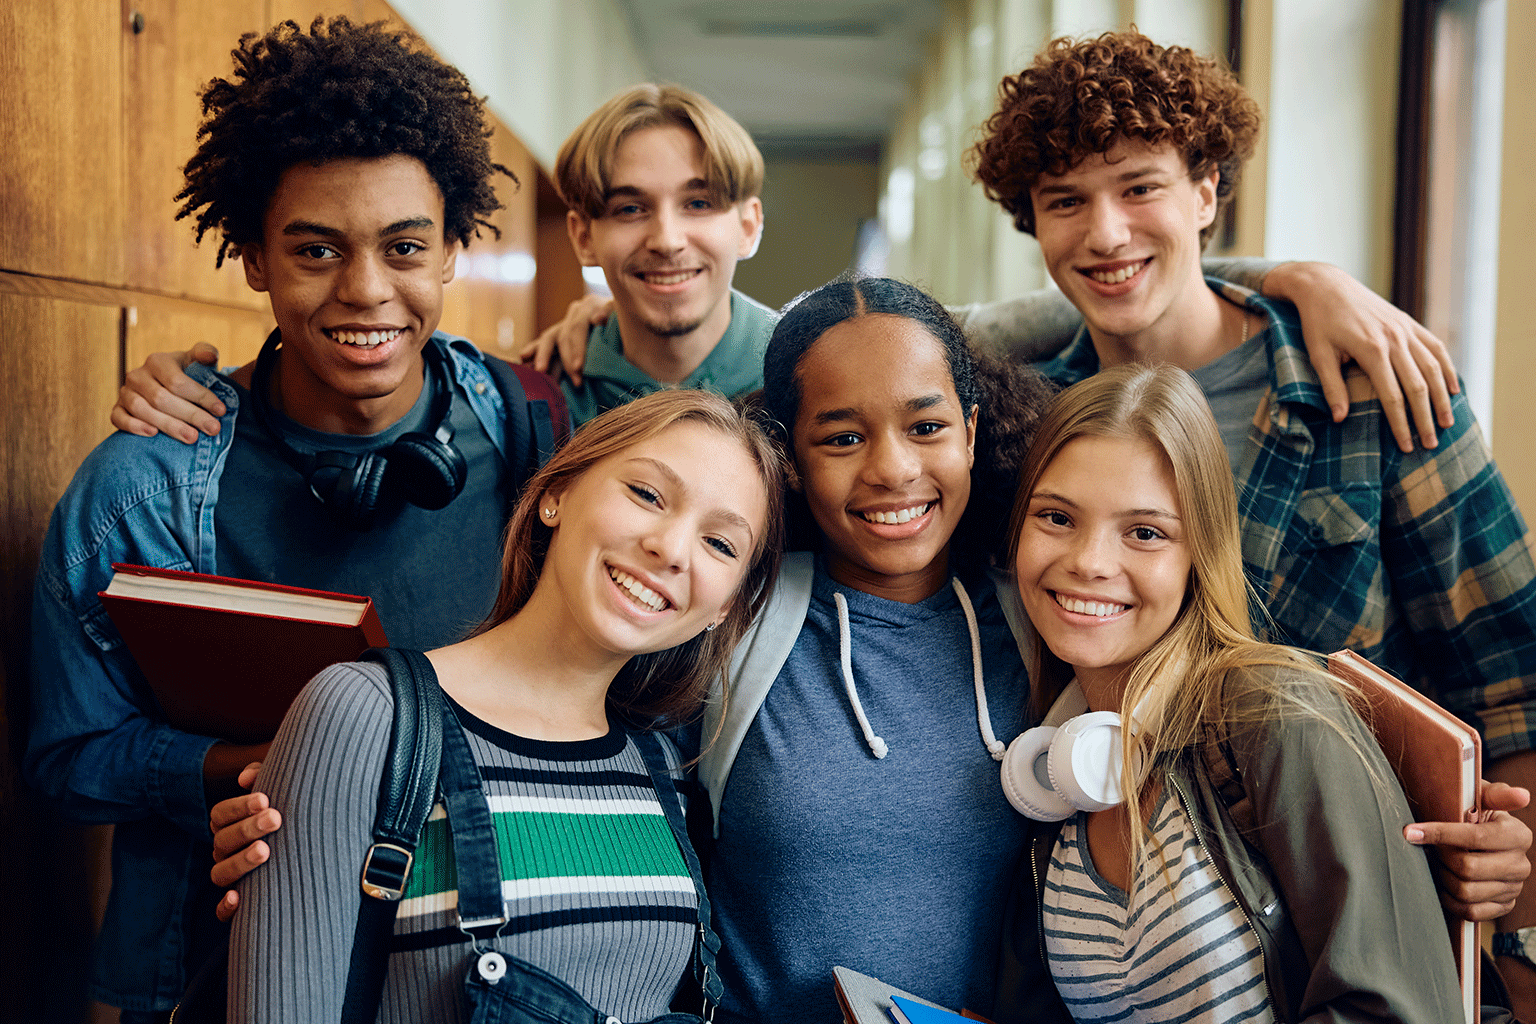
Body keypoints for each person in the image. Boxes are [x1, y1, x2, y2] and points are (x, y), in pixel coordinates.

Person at [209, 276, 1530, 1022]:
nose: (891, 472)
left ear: (977, 426)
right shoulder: (722, 621)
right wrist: (321, 844)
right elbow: (539, 750)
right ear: (788, 454)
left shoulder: (1046, 631)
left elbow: (1124, 279)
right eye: (840, 438)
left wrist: (1291, 282)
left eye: (927, 426)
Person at [23, 17, 565, 1022]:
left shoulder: (549, 437)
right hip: (205, 974)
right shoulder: (137, 488)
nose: (366, 290)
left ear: (452, 249)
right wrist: (243, 768)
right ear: (252, 257)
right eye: (316, 249)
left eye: (405, 246)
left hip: (478, 968)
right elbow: (65, 759)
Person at [967, 28, 1536, 981]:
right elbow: (892, 333)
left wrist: (1514, 872)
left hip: (1351, 934)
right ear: (1034, 224)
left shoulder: (1369, 392)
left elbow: (1515, 681)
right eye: (1067, 202)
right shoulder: (1029, 423)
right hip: (1115, 945)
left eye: (1140, 187)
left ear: (1207, 192)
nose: (1105, 233)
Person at [227, 387, 785, 1023]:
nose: (672, 548)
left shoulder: (663, 768)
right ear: (557, 493)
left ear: (724, 609)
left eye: (720, 544)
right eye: (647, 495)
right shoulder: (365, 714)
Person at [994, 362, 1464, 1023]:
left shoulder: (1275, 712)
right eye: (1056, 517)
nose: (1090, 561)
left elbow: (1397, 1011)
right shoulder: (1055, 770)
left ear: (1198, 554)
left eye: (1145, 532)